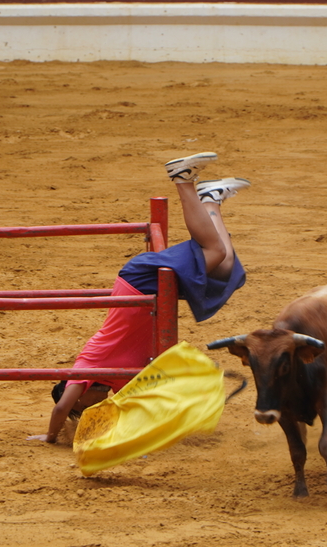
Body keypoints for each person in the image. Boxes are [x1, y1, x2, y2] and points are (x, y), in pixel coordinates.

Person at [28, 152, 250, 443]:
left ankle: (183, 180)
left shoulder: (85, 369)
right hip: (149, 294)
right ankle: (211, 199)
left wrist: (50, 437)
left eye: (83, 407)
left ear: (77, 396)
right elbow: (134, 414)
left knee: (216, 252)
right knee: (224, 265)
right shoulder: (118, 382)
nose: (95, 405)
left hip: (138, 285)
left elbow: (60, 409)